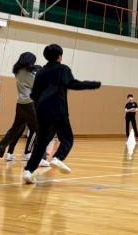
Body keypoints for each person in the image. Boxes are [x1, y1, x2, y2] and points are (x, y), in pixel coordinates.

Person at [22, 44, 101, 184]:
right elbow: (73, 84)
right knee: (67, 138)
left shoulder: (40, 72)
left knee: (41, 143)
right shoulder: (63, 69)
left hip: (42, 111)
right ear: (60, 56)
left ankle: (28, 171)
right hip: (58, 109)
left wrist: (40, 108)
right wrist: (93, 84)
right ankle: (57, 158)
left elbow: (34, 95)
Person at [0, 52, 41, 165]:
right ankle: (34, 156)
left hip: (20, 104)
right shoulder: (28, 74)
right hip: (29, 104)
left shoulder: (18, 71)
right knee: (37, 129)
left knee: (13, 131)